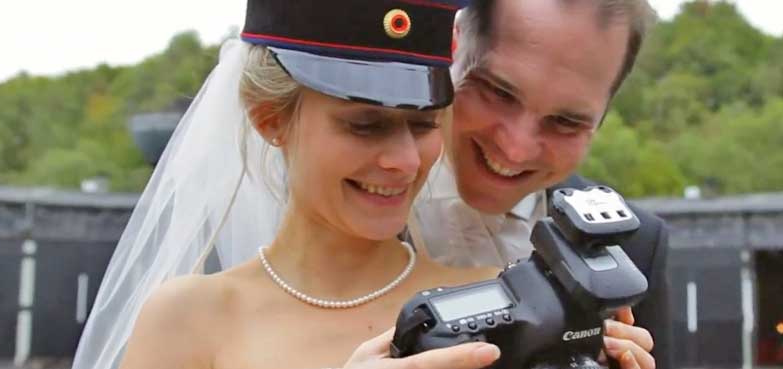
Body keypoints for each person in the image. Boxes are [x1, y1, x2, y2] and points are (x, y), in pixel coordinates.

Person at [72, 1, 509, 369]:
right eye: (365, 125)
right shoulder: (186, 321)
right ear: (270, 120)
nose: (406, 161)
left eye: (423, 124)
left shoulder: (494, 300)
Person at [408, 1, 671, 368]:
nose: (516, 148)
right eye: (498, 92)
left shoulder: (636, 246)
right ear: (452, 48)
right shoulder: (345, 197)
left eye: (564, 121)